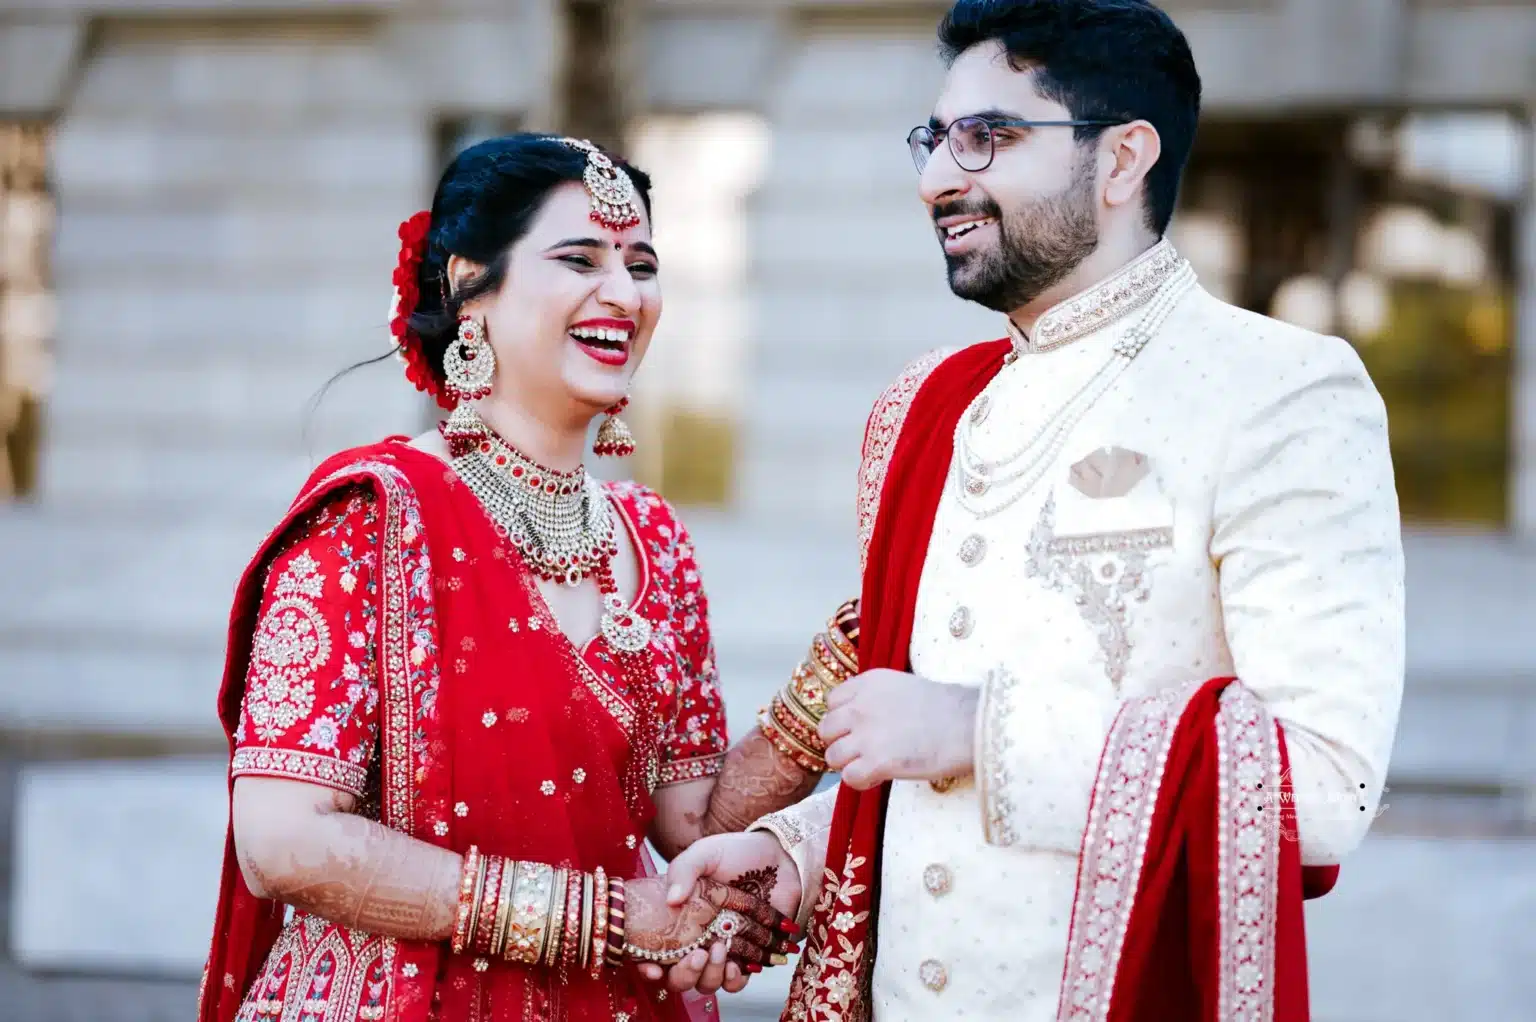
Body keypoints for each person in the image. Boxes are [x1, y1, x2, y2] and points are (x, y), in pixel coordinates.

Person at [662, 3, 1406, 1021]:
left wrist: (980, 730)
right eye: (934, 139)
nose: (936, 179)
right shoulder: (926, 407)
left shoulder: (1278, 391)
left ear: (1121, 158)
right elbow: (918, 771)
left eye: (987, 137)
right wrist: (793, 854)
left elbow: (1322, 789)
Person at [196, 133, 809, 1022]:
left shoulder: (655, 541)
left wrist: (837, 673)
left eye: (641, 264)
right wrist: (605, 922)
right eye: (579, 259)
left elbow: (693, 827)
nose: (624, 293)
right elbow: (283, 840)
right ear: (469, 285)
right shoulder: (372, 519)